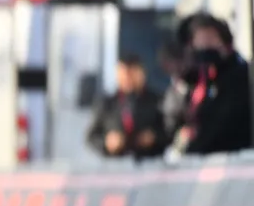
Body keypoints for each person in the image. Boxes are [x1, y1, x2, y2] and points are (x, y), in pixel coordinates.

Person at [172, 14, 252, 155]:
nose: (205, 47)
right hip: (202, 159)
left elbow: (222, 122)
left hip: (236, 156)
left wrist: (193, 147)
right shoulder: (195, 82)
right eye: (200, 41)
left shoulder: (240, 75)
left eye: (210, 39)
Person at [85, 54, 166, 160]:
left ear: (142, 73)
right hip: (116, 163)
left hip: (150, 161)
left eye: (132, 73)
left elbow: (169, 132)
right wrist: (107, 142)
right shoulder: (107, 103)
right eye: (123, 73)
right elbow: (91, 137)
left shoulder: (158, 101)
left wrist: (154, 137)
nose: (128, 78)